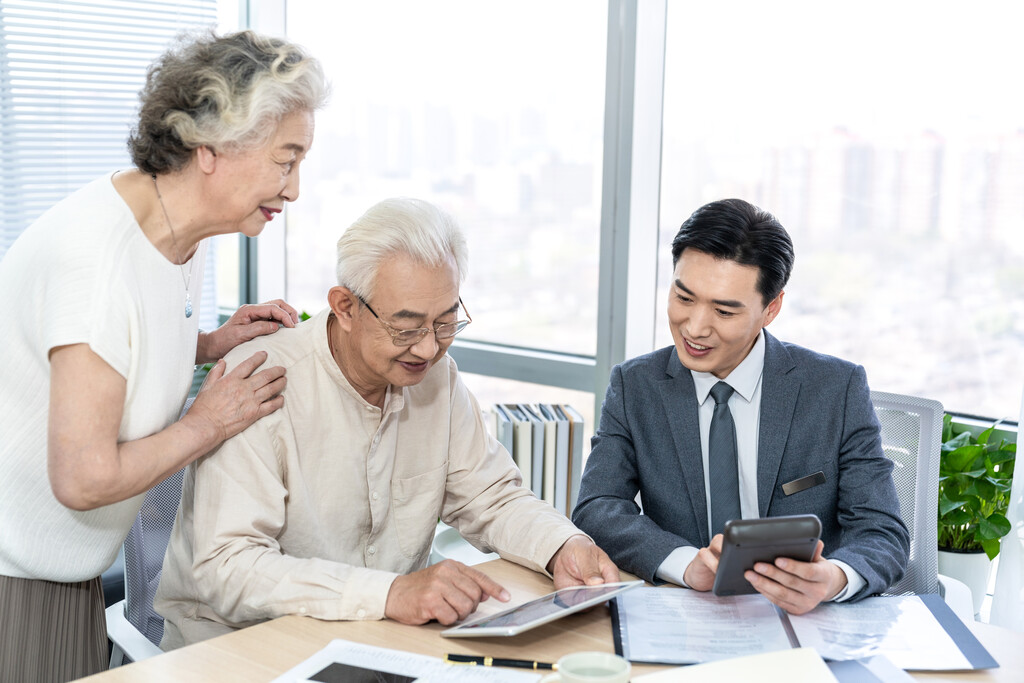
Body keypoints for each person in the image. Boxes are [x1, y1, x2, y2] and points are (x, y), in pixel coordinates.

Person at [0, 30, 328, 681]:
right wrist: (210, 421)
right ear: (212, 147)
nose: (294, 190)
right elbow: (84, 477)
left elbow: (113, 359)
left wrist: (212, 341)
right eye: (285, 160)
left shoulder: (177, 230)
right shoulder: (96, 262)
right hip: (14, 583)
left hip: (69, 575)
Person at [155, 197, 619, 648]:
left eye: (446, 321)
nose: (428, 349)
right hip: (240, 648)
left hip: (376, 642)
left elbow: (491, 497)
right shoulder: (260, 382)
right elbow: (228, 569)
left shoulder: (437, 378)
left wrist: (562, 545)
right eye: (406, 326)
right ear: (345, 307)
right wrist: (390, 593)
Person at [572, 198, 909, 615]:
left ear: (771, 308)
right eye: (684, 297)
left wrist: (833, 578)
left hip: (804, 622)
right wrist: (684, 564)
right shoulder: (635, 385)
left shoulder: (835, 389)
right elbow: (598, 507)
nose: (695, 328)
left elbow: (882, 531)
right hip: (684, 613)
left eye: (724, 310)